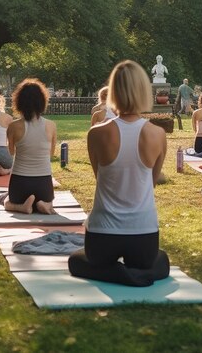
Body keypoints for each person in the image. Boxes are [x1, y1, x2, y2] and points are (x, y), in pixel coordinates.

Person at [68, 60, 169, 286]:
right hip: (143, 235)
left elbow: (100, 178)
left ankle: (117, 273)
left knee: (76, 260)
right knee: (161, 260)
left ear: (113, 91)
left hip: (103, 235)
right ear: (144, 90)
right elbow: (150, 183)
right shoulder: (157, 134)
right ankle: (137, 273)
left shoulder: (96, 133)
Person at [4, 79, 57, 215]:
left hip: (20, 182)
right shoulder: (51, 125)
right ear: (42, 102)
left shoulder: (14, 126)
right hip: (44, 183)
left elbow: (11, 151)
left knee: (6, 201)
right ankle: (44, 204)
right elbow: (50, 154)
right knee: (49, 201)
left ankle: (22, 207)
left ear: (19, 102)